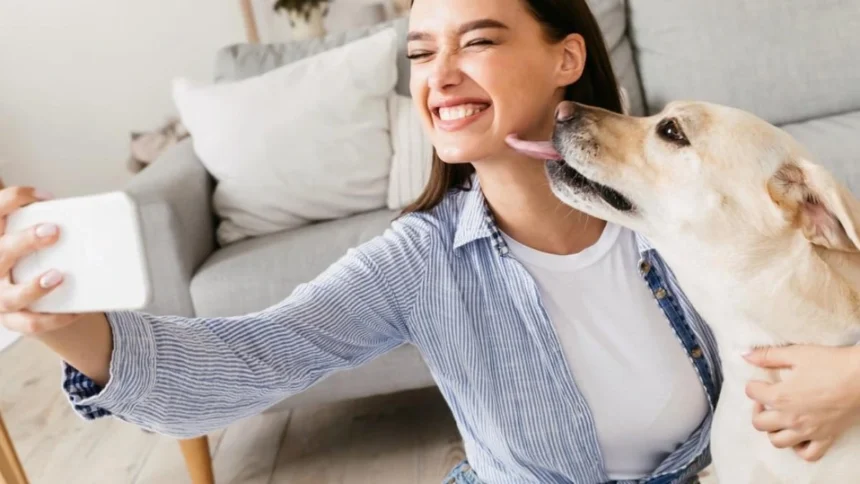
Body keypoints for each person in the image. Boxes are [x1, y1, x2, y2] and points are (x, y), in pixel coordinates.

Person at [4, 0, 860, 482]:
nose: (440, 76)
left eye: (478, 41)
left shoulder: (690, 206)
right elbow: (254, 359)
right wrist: (63, 325)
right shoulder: (419, 264)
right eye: (421, 54)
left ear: (567, 58)